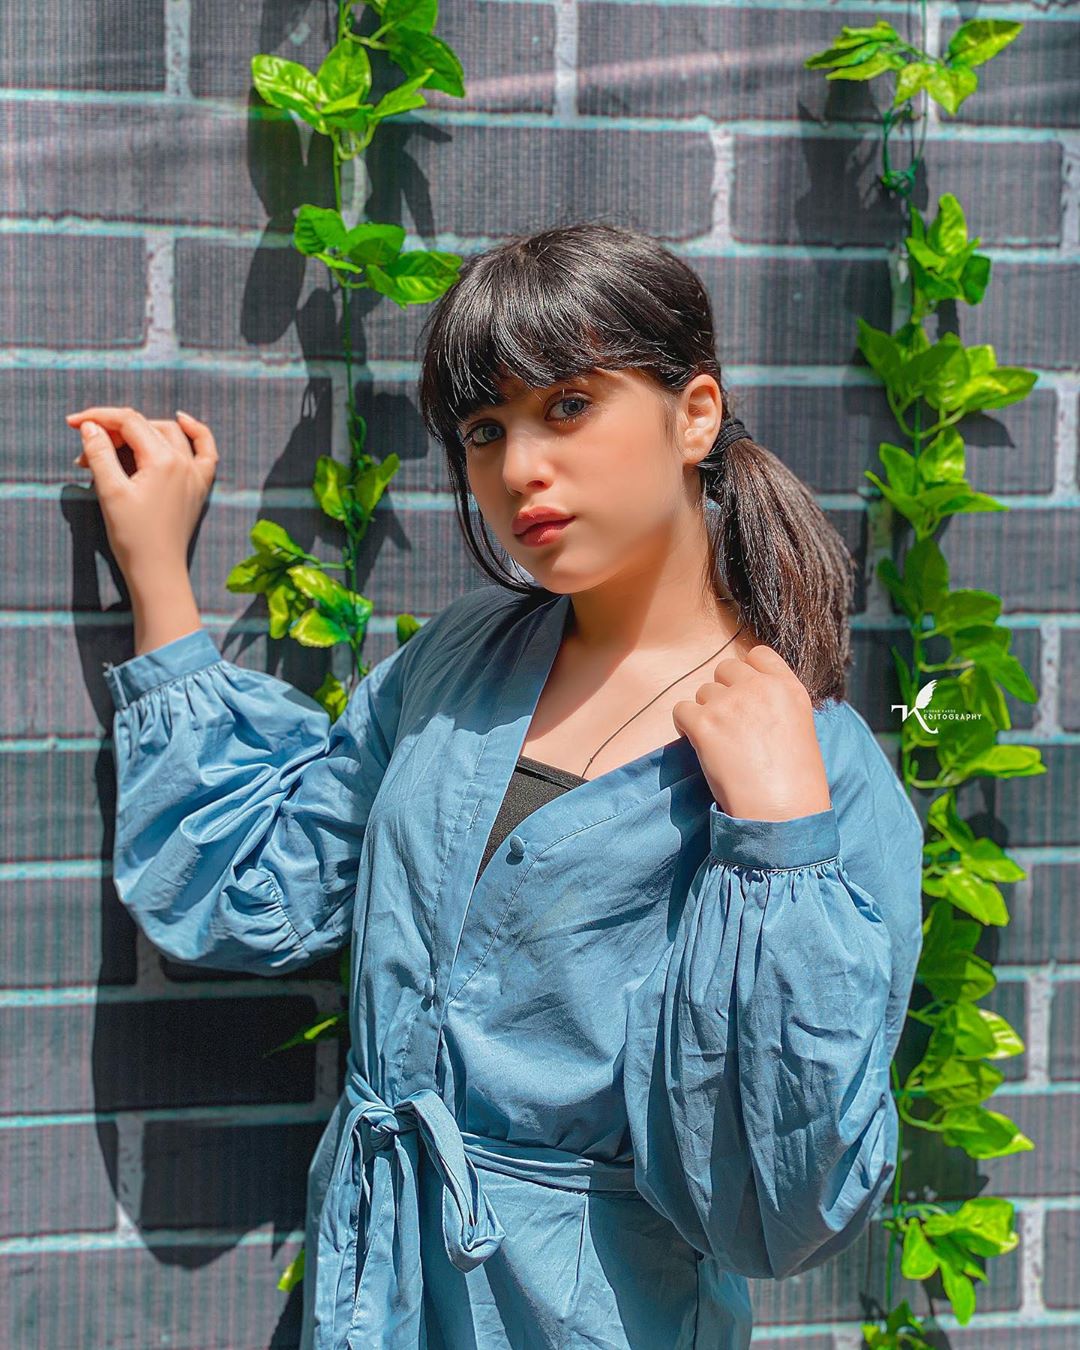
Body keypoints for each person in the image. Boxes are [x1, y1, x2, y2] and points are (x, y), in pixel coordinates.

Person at [67, 221, 925, 1350]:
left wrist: (776, 847)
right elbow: (257, 883)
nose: (519, 469)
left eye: (568, 406)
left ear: (695, 416)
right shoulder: (459, 662)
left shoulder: (818, 772)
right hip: (374, 1299)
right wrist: (159, 582)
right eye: (484, 430)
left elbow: (781, 1200)